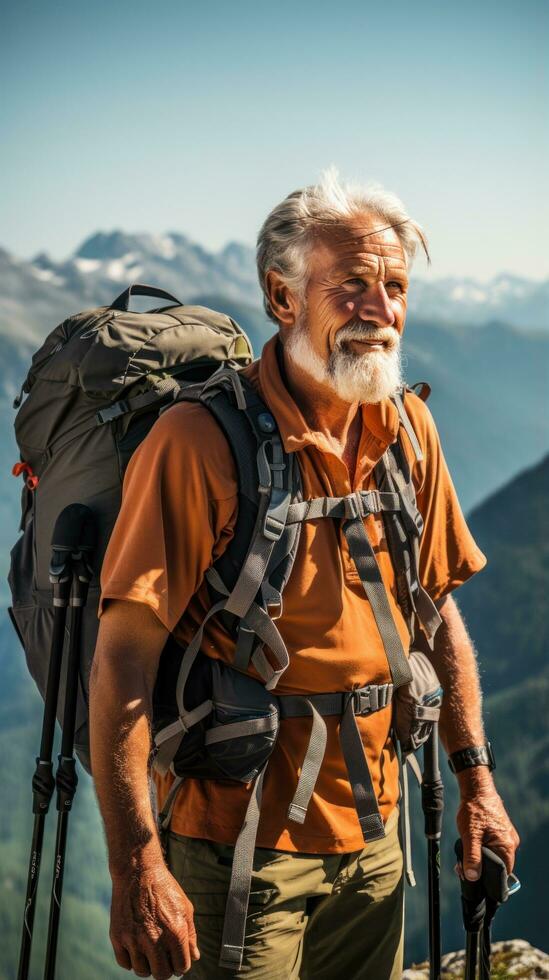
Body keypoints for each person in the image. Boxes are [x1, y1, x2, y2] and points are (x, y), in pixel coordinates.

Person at [90, 170, 519, 980]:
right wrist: (136, 869)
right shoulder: (197, 442)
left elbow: (437, 616)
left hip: (376, 834)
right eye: (350, 285)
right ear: (282, 298)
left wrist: (477, 782)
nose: (381, 311)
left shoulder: (407, 429)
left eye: (393, 287)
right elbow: (121, 658)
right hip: (234, 843)